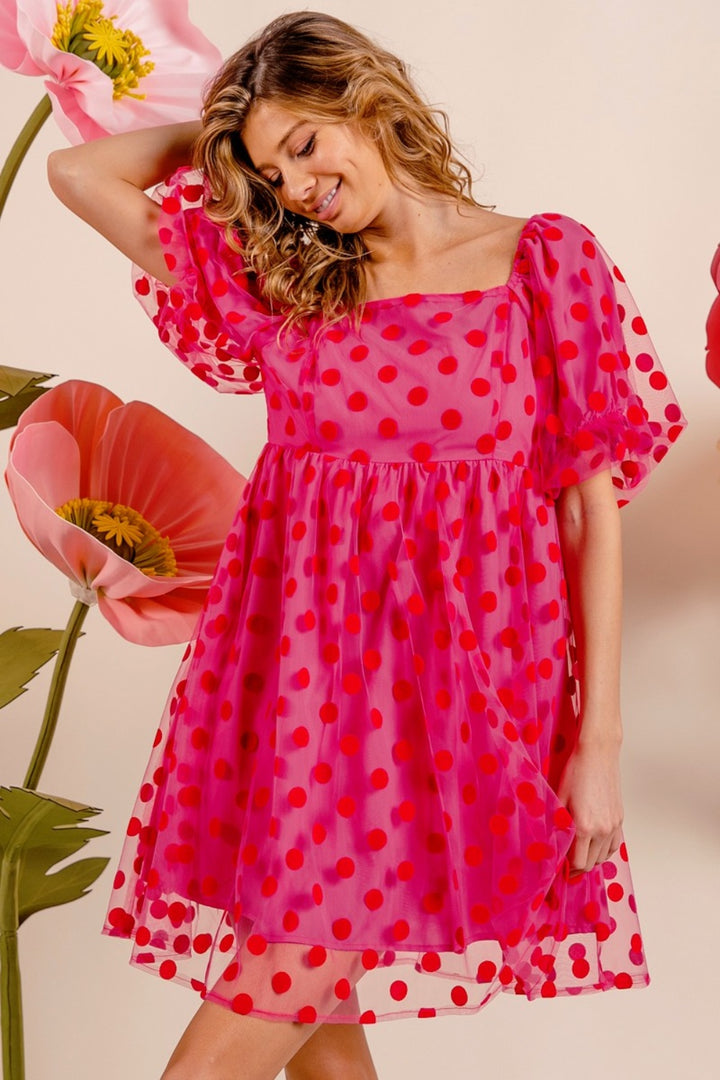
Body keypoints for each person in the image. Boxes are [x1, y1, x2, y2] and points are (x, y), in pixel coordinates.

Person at [47, 10, 685, 1080]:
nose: (295, 187)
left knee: (266, 1000)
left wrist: (598, 741)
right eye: (269, 171)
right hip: (301, 690)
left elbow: (590, 504)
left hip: (465, 685)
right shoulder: (282, 279)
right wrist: (227, 123)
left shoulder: (544, 261)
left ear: (369, 101)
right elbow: (78, 175)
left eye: (305, 145)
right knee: (312, 1011)